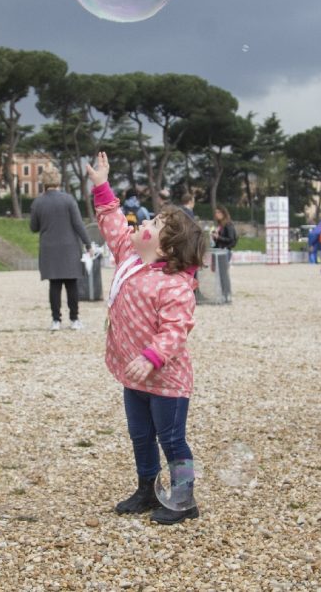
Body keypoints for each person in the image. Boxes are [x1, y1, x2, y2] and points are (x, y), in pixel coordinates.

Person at [85, 152, 206, 525]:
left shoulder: (176, 286)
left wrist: (152, 357)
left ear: (167, 248)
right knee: (140, 435)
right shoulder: (130, 257)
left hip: (166, 380)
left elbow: (176, 331)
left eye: (154, 222)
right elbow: (113, 224)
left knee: (171, 440)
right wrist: (102, 185)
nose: (144, 223)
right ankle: (147, 489)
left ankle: (184, 498)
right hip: (133, 375)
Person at [29, 170, 92, 331]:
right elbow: (78, 224)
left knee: (54, 285)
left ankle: (56, 320)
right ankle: (74, 319)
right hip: (70, 247)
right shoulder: (68, 200)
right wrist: (88, 244)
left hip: (49, 249)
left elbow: (33, 227)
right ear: (59, 182)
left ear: (44, 183)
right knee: (71, 284)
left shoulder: (37, 203)